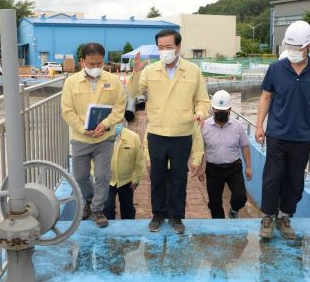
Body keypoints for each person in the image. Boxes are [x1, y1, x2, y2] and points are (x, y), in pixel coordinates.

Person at [128, 29, 210, 234]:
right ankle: (157, 214)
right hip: (156, 131)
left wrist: (200, 112)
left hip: (182, 133)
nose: (164, 51)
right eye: (161, 48)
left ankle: (176, 216)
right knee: (156, 176)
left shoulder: (192, 71)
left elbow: (202, 99)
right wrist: (136, 72)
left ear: (178, 47)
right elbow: (133, 93)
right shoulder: (150, 70)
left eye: (168, 47)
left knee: (179, 177)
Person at [255, 21, 310, 239]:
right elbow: (266, 96)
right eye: (291, 48)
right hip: (277, 134)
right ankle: (268, 218)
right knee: (272, 177)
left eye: (298, 48)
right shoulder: (276, 69)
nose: (294, 53)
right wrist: (259, 125)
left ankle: (284, 217)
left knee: (295, 180)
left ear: (308, 46)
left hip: (303, 136)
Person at [61, 43, 126, 228]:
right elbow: (67, 111)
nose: (95, 68)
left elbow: (119, 108)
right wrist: (82, 128)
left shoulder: (113, 81)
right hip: (81, 138)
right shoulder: (71, 82)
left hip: (104, 138)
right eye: (91, 64)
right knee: (80, 176)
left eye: (99, 64)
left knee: (103, 175)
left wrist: (105, 124)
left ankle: (97, 209)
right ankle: (89, 200)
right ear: (82, 62)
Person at [198, 90, 252, 219]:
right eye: (218, 111)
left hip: (234, 168)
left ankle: (233, 210)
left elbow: (244, 146)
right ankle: (220, 226)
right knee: (215, 203)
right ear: (212, 109)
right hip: (213, 170)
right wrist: (199, 168)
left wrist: (249, 166)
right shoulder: (204, 126)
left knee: (240, 197)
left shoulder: (238, 126)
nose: (221, 113)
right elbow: (199, 149)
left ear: (230, 110)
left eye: (224, 111)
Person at [143, 121, 205, 219]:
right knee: (158, 190)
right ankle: (159, 216)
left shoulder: (188, 118)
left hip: (178, 164)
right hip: (159, 165)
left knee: (179, 193)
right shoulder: (157, 118)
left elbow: (197, 139)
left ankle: (177, 218)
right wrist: (149, 159)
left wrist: (196, 160)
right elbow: (147, 140)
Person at [103, 123, 144, 220]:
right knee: (107, 208)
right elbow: (94, 160)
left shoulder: (133, 137)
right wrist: (96, 176)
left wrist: (136, 179)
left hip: (126, 181)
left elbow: (139, 160)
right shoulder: (100, 136)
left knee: (127, 208)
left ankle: (128, 231)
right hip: (107, 180)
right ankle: (109, 231)